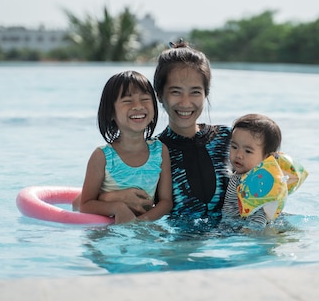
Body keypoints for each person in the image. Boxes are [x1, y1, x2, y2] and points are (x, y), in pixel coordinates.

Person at [99, 41, 232, 224]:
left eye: (195, 92)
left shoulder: (229, 138)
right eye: (176, 92)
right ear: (160, 95)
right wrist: (112, 198)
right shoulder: (151, 154)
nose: (185, 103)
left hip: (232, 242)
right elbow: (84, 201)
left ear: (205, 94)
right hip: (176, 247)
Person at [77, 70, 173, 224]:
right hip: (107, 231)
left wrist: (140, 223)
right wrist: (117, 208)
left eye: (145, 99)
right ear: (110, 113)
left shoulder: (160, 151)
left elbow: (166, 202)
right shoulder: (102, 156)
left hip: (145, 226)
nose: (138, 106)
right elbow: (85, 205)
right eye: (127, 101)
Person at [221, 113, 308, 227]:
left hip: (243, 228)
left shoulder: (256, 181)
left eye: (248, 151)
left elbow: (260, 212)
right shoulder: (241, 174)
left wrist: (251, 230)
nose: (238, 155)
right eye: (234, 147)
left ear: (267, 158)